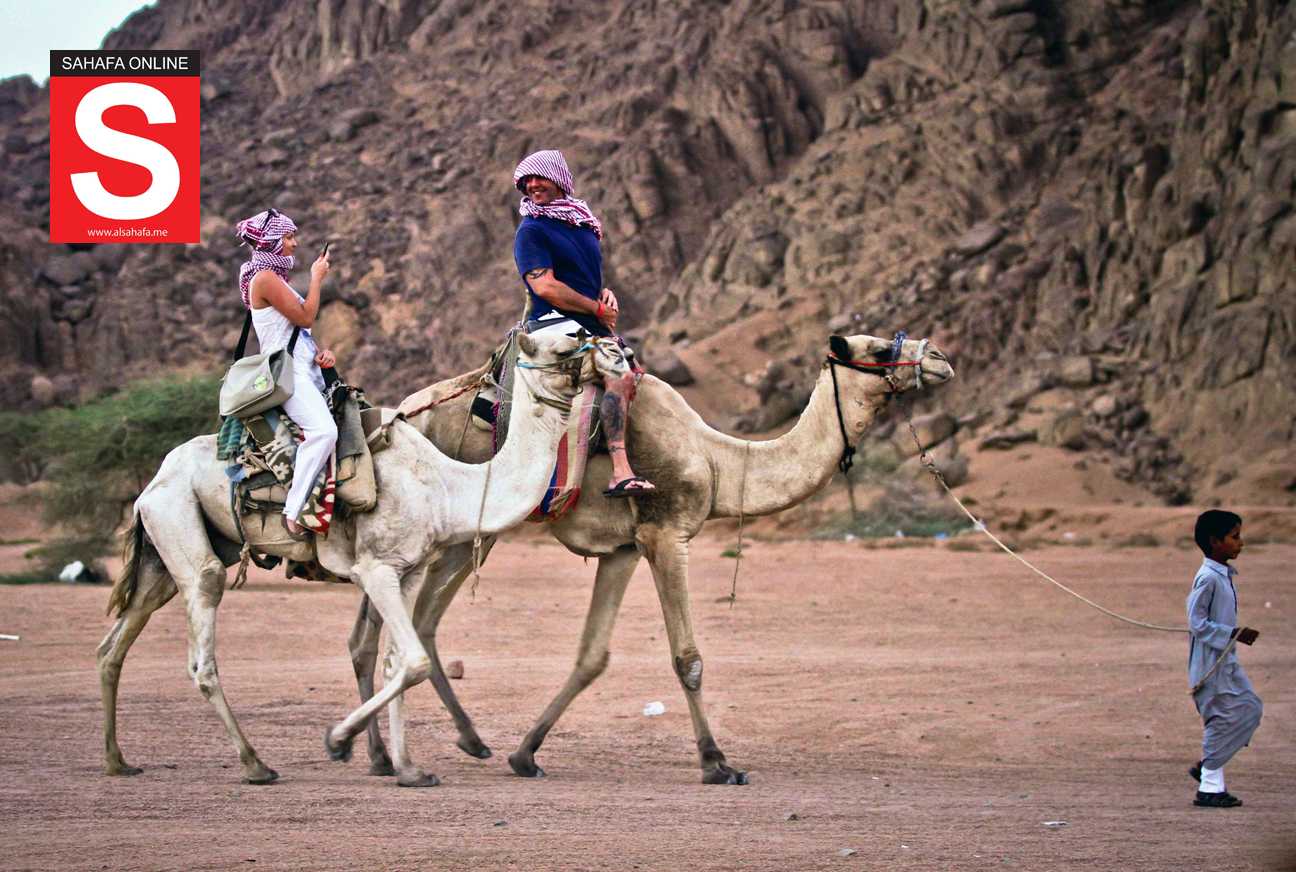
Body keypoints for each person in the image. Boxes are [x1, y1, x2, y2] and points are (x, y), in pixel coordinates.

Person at [511, 149, 655, 498]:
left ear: (559, 179)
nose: (533, 185)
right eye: (527, 181)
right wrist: (596, 308)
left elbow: (580, 277)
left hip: (589, 324)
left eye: (540, 177)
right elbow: (545, 286)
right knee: (620, 376)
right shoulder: (531, 230)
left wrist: (603, 295)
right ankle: (620, 473)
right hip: (555, 324)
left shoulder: (582, 224)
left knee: (640, 379)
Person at [235, 208, 338, 537]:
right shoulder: (265, 279)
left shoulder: (275, 279)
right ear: (270, 242)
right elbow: (306, 317)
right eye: (288, 237)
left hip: (305, 369)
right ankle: (293, 512)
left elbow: (298, 333)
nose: (295, 243)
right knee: (324, 432)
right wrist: (317, 278)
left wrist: (321, 355)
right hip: (288, 375)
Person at [1185, 509, 1262, 808]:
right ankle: (1210, 788)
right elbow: (1197, 622)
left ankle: (1209, 766)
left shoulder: (1222, 575)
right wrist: (1233, 633)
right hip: (1209, 662)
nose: (1240, 543)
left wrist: (1232, 636)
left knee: (1250, 708)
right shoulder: (1207, 578)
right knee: (1220, 718)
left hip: (1225, 658)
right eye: (1234, 537)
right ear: (1214, 541)